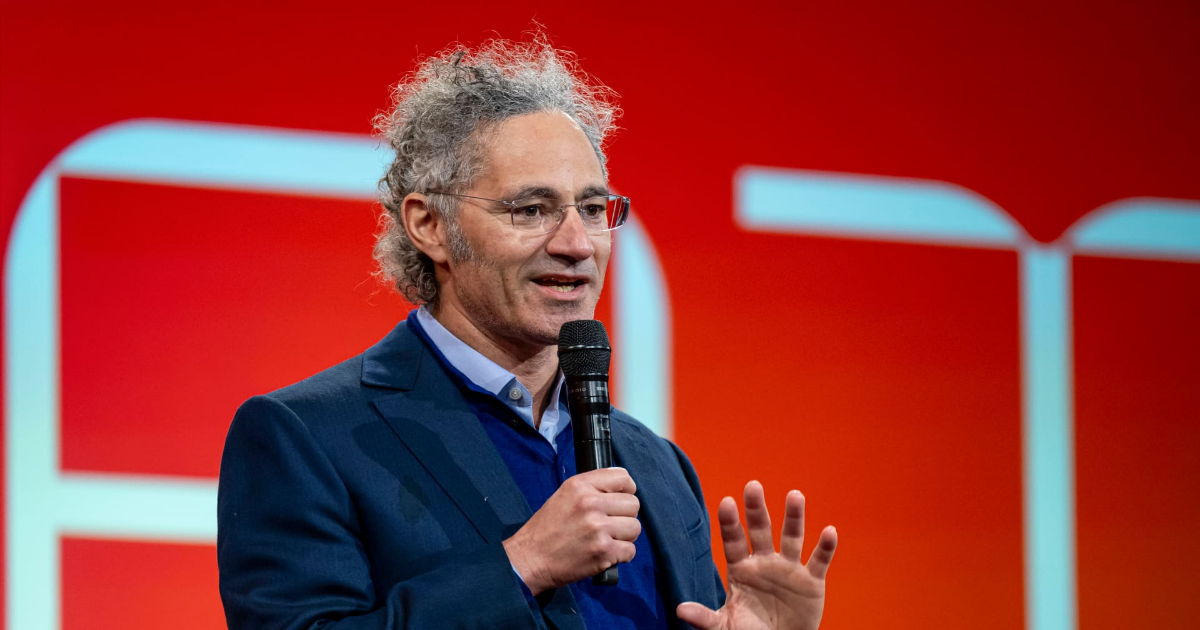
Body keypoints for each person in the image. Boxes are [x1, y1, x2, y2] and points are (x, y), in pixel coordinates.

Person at [217, 35, 837, 630]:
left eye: (591, 209)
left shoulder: (658, 463)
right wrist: (522, 567)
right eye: (531, 209)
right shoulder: (307, 436)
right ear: (430, 225)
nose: (576, 244)